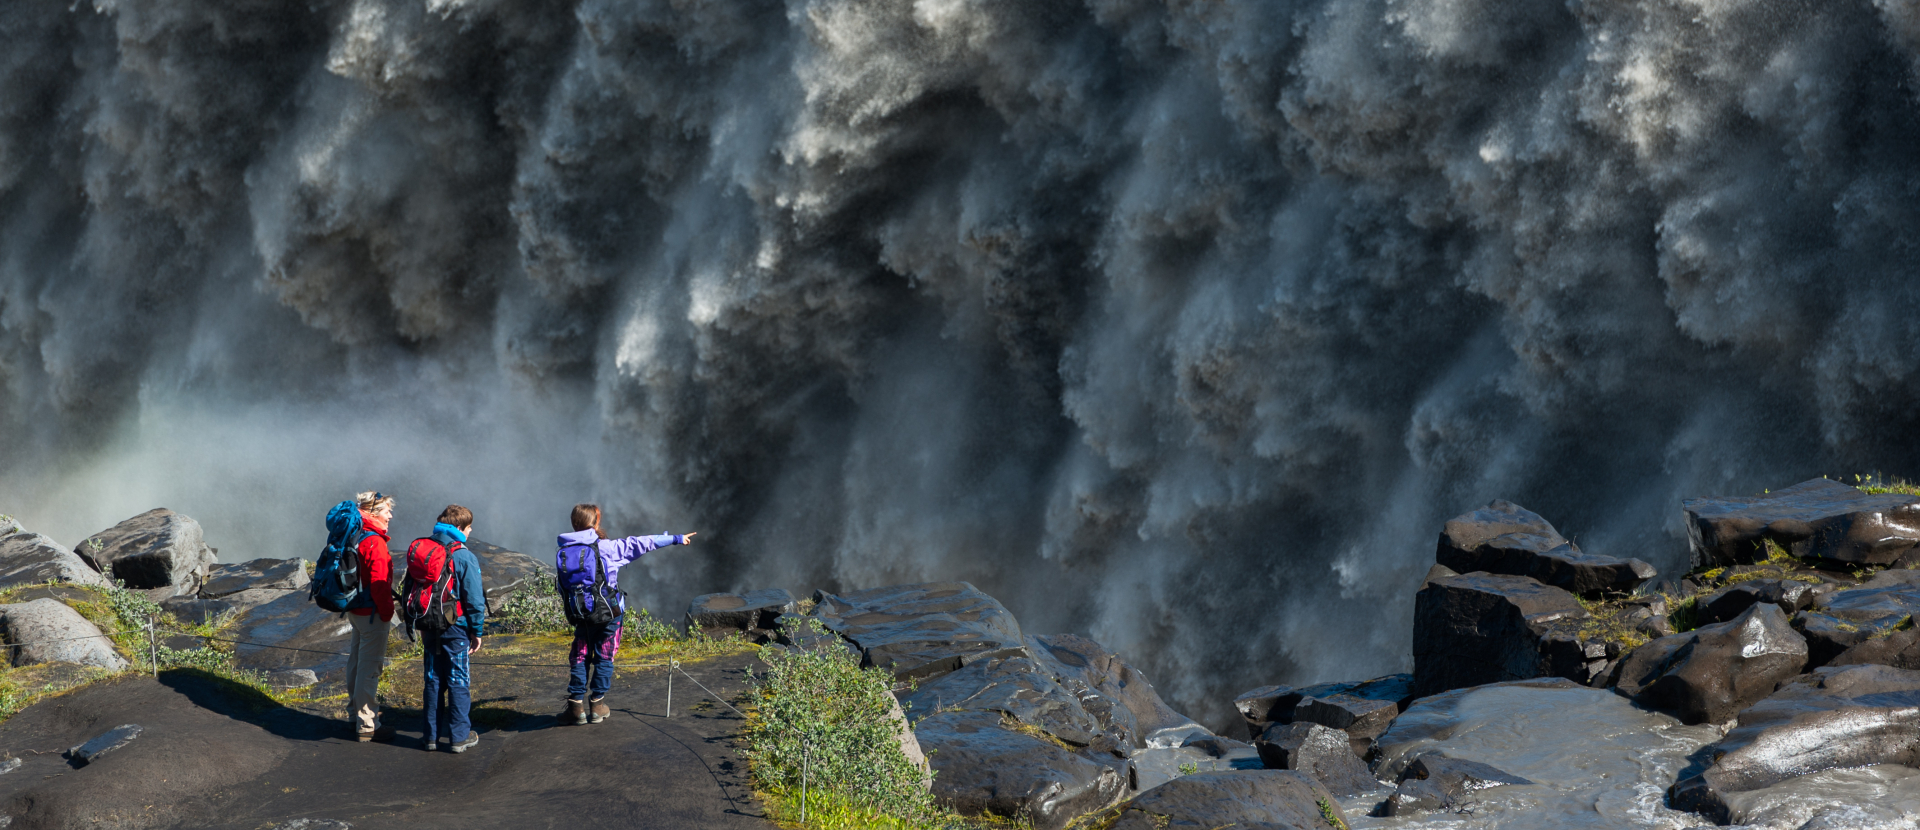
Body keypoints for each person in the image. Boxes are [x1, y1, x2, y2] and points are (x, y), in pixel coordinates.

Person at [556, 503, 697, 725]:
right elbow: (643, 543)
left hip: (581, 614)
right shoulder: (608, 548)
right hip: (609, 614)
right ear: (595, 523)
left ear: (574, 524)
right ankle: (597, 705)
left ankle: (575, 706)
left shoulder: (564, 551)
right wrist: (677, 538)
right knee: (604, 655)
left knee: (580, 655)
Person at [411, 504, 489, 753]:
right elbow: (475, 600)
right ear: (459, 528)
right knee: (458, 679)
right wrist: (476, 631)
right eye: (468, 528)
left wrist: (418, 623)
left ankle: (431, 737)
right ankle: (459, 737)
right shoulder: (463, 555)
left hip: (428, 624)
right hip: (456, 627)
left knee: (433, 679)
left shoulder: (424, 548)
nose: (470, 532)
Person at [345, 491, 396, 742]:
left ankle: (355, 714)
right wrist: (388, 612)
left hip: (355, 609)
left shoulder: (356, 534)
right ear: (374, 513)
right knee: (369, 668)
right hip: (372, 613)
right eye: (387, 511)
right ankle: (366, 723)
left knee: (356, 662)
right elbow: (379, 583)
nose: (390, 515)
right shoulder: (375, 542)